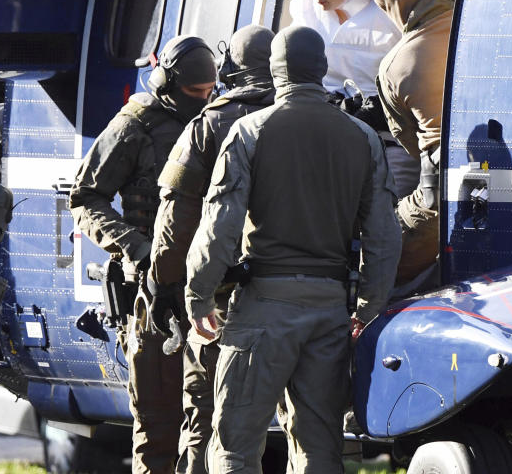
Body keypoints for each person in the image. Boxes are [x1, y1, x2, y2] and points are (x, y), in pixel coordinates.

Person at [185, 25, 401, 473]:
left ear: (274, 71)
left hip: (264, 307)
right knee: (319, 449)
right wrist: (369, 305)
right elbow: (383, 232)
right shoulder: (362, 137)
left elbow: (220, 226)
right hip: (330, 311)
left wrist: (199, 294)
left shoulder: (249, 132)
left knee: (235, 447)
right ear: (321, 69)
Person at [70, 35, 217, 474]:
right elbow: (85, 199)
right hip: (153, 295)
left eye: (210, 92)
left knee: (207, 426)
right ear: (167, 85)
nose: (204, 100)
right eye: (195, 93)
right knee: (156, 429)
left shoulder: (219, 119)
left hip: (209, 290)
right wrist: (137, 249)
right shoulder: (137, 124)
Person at [150, 24, 276, 474]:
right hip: (303, 302)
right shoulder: (322, 118)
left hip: (222, 300)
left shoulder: (208, 125)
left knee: (206, 412)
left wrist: (167, 287)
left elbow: (176, 219)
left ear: (230, 70)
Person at [290, 0, 419, 197]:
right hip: (328, 130)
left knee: (392, 210)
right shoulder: (305, 4)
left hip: (390, 137)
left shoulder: (389, 12)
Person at [370, 0, 454, 286]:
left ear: (391, 1)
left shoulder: (394, 65)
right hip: (495, 170)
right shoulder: (473, 21)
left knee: (378, 252)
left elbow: (411, 146)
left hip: (440, 190)